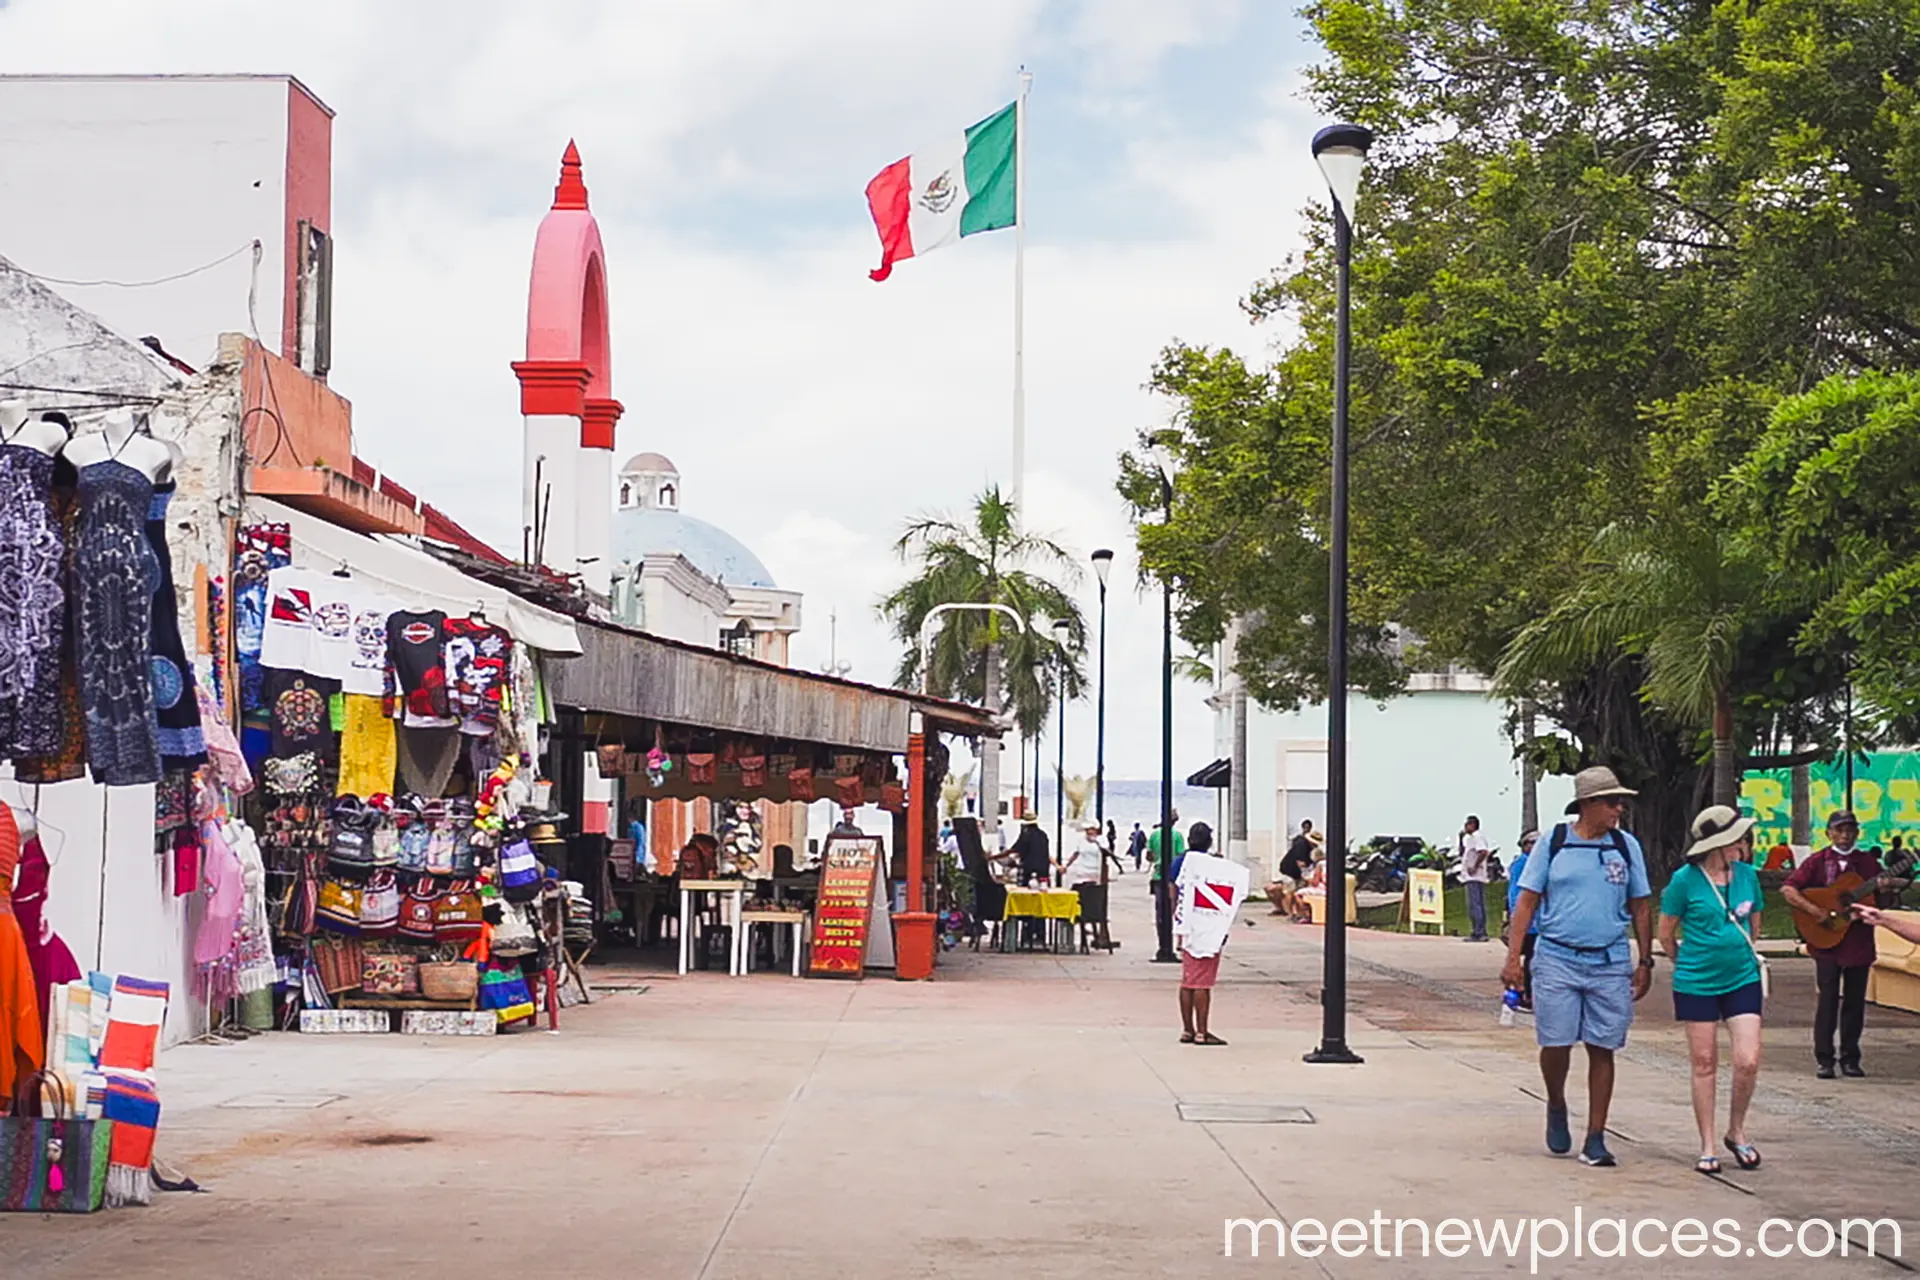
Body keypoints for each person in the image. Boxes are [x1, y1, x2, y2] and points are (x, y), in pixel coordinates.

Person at [1500, 766, 1654, 1169]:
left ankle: (1596, 1136)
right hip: (1556, 957)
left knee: (1604, 1047)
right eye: (1611, 802)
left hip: (1609, 959)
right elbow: (1527, 901)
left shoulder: (1625, 846)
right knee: (1556, 1042)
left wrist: (1646, 959)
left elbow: (1640, 904)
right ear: (1587, 804)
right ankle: (1555, 1101)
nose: (1619, 809)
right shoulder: (1554, 842)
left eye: (1621, 802)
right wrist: (1514, 958)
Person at [1659, 805, 1766, 1174]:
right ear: (1719, 845)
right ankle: (1706, 1144)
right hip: (1697, 980)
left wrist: (1740, 953)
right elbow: (1666, 933)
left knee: (1747, 1059)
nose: (1743, 845)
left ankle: (1736, 1130)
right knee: (1704, 1062)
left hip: (1742, 976)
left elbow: (1755, 923)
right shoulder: (1684, 881)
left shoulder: (1748, 876)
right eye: (1737, 839)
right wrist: (1686, 962)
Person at [1782, 809, 1881, 1078]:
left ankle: (1850, 1057)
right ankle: (1824, 1058)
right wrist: (1817, 913)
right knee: (1827, 1000)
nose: (1845, 836)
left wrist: (1889, 886)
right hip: (1827, 942)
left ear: (1857, 834)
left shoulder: (1868, 863)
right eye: (1839, 830)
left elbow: (1881, 899)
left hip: (1858, 941)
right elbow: (1789, 890)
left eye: (1850, 830)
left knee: (1854, 1002)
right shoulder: (1817, 861)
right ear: (1829, 833)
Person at [1173, 820, 1247, 1047]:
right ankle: (1202, 1032)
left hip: (1186, 924)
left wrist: (1178, 922)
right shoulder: (1216, 866)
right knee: (1202, 982)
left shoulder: (1179, 863)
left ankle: (1187, 1029)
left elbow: (1173, 892)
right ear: (1209, 841)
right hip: (1208, 926)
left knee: (1187, 979)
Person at [1504, 831, 1540, 1009]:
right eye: (1533, 842)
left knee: (1532, 959)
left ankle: (1525, 993)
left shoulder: (1533, 863)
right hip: (1529, 922)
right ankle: (1525, 994)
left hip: (1535, 921)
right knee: (1529, 959)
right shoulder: (1523, 863)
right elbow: (1517, 893)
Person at [1267, 825, 1315, 918]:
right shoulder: (1303, 845)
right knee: (1290, 891)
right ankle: (1289, 913)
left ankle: (1287, 911)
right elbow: (1301, 862)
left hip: (1287, 869)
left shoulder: (1299, 841)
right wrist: (1305, 875)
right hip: (1291, 871)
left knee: (1290, 890)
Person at [1460, 815, 1493, 942]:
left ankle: (1479, 932)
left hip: (1475, 876)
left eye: (1467, 824)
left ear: (1473, 825)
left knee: (1475, 905)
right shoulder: (1469, 839)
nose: (1465, 827)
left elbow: (1484, 852)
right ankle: (1479, 931)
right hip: (1470, 876)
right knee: (1475, 904)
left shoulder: (1477, 837)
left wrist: (1475, 866)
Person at [1008, 815, 1051, 888]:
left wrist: (993, 857)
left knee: (1025, 892)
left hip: (1028, 869)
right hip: (1043, 870)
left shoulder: (1025, 835)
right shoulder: (1043, 835)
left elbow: (1014, 849)